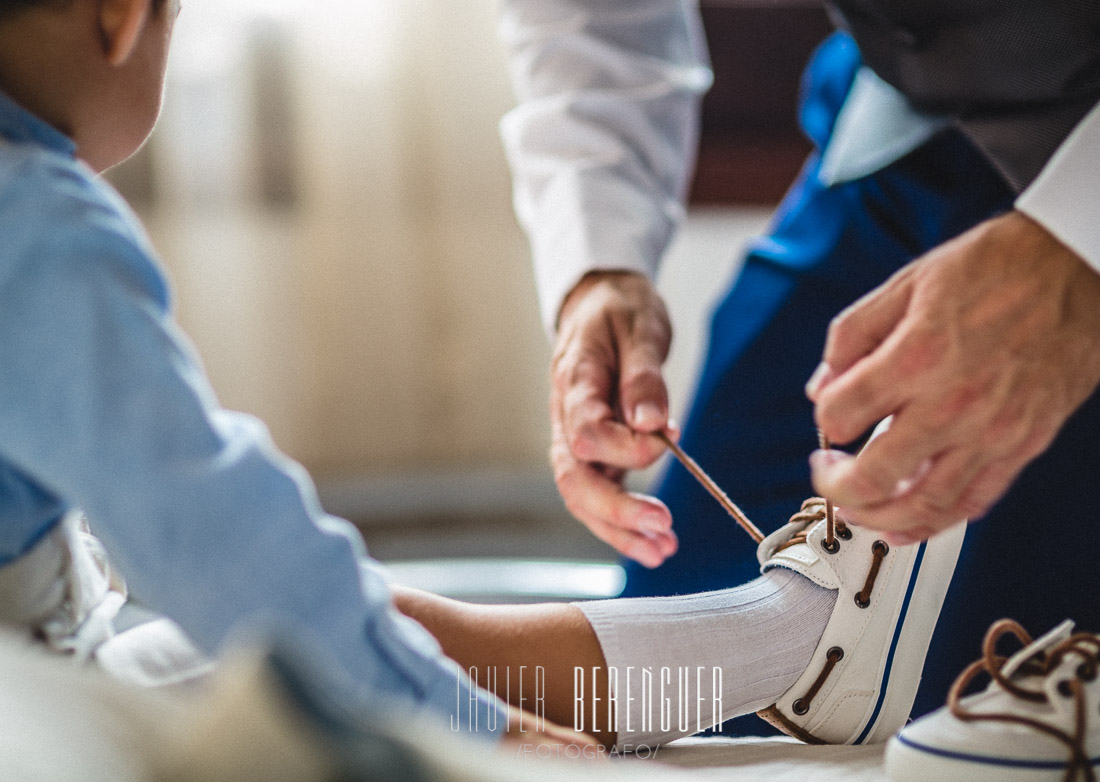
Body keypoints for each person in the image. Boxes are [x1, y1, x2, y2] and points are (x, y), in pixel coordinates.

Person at [0, 0, 958, 757]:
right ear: (120, 15)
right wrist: (483, 732)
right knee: (290, 651)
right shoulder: (43, 232)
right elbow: (224, 544)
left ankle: (787, 652)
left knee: (376, 624)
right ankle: (786, 648)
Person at [497, 0, 1100, 723]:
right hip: (895, 137)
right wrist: (600, 263)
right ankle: (402, 652)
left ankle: (408, 657)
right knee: (679, 645)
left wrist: (1092, 248)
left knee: (991, 712)